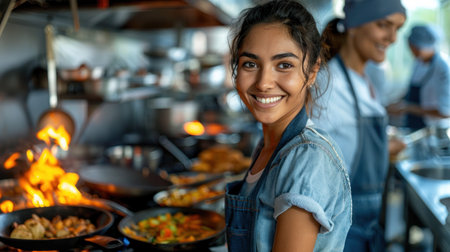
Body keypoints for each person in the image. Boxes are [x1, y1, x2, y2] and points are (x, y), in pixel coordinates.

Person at [225, 1, 352, 251]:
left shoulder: (307, 158)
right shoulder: (269, 145)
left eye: (284, 65)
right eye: (250, 64)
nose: (264, 83)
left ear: (312, 71)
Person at [312, 0, 407, 251]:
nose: (393, 38)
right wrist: (385, 149)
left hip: (368, 219)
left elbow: (346, 142)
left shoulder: (364, 78)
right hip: (341, 225)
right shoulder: (328, 86)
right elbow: (317, 165)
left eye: (397, 28)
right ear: (354, 25)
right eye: (384, 25)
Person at [391, 24, 450, 131]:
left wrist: (409, 108)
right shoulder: (418, 63)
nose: (411, 50)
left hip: (435, 131)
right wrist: (398, 102)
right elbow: (413, 90)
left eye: (411, 46)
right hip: (414, 125)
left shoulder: (443, 67)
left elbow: (446, 112)